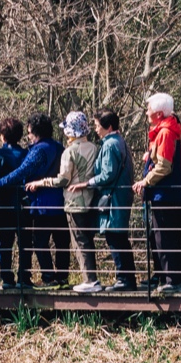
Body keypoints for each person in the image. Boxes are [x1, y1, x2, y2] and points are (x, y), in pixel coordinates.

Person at [0, 113, 66, 289]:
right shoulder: (59, 147)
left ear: (36, 132)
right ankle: (60, 277)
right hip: (61, 201)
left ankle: (47, 277)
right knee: (60, 241)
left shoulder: (38, 150)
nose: (28, 136)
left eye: (30, 132)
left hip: (41, 203)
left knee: (38, 241)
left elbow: (22, 172)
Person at [132, 93, 181, 295]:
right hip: (168, 195)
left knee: (165, 237)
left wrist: (145, 181)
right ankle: (175, 279)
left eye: (148, 109)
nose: (146, 113)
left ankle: (173, 280)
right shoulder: (166, 132)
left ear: (158, 113)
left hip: (166, 196)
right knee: (167, 237)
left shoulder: (165, 133)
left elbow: (164, 166)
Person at [48, 112, 102, 292]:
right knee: (88, 240)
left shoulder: (69, 152)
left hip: (75, 202)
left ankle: (90, 279)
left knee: (80, 242)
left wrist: (43, 182)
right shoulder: (94, 148)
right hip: (92, 199)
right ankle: (91, 278)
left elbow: (63, 179)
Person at [89, 110, 138, 291]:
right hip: (121, 196)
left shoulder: (110, 145)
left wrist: (89, 182)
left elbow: (108, 173)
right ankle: (127, 278)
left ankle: (124, 279)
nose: (95, 129)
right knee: (120, 237)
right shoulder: (120, 142)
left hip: (114, 198)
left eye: (97, 125)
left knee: (115, 237)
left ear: (108, 126)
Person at [0, 117, 26, 289]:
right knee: (25, 242)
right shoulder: (27, 154)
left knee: (5, 243)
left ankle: (7, 277)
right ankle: (24, 277)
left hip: (3, 204)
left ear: (2, 135)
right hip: (23, 203)